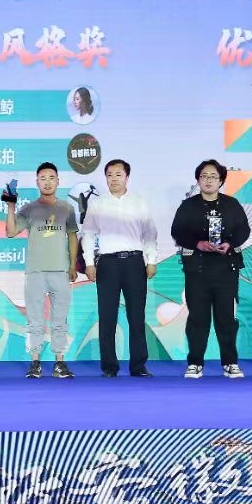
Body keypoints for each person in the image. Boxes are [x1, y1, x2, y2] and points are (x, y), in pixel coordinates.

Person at [170, 159, 251, 379]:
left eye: (213, 176)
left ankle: (230, 363)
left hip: (226, 269)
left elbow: (244, 230)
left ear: (221, 180)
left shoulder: (231, 204)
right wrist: (197, 243)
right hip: (197, 270)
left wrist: (230, 244)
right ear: (198, 180)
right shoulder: (188, 206)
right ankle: (195, 363)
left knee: (227, 319)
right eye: (204, 176)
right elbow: (177, 231)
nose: (208, 180)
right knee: (198, 318)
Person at [81, 158, 160, 378]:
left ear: (127, 177)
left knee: (136, 316)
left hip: (135, 263)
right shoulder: (97, 204)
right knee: (107, 316)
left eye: (118, 174)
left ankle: (138, 366)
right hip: (107, 264)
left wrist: (151, 260)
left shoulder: (139, 203)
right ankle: (109, 366)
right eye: (109, 175)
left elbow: (150, 233)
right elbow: (88, 235)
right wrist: (89, 263)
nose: (114, 179)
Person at [5, 163, 81, 379]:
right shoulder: (29, 209)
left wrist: (72, 265)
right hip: (35, 271)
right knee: (35, 319)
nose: (47, 182)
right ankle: (35, 362)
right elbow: (10, 231)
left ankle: (60, 362)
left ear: (58, 181)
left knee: (60, 319)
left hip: (60, 271)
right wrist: (11, 206)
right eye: (43, 178)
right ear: (37, 182)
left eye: (51, 178)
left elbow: (72, 237)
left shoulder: (67, 208)